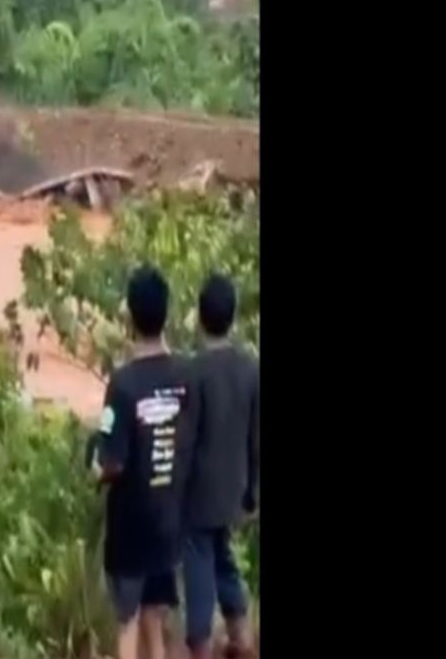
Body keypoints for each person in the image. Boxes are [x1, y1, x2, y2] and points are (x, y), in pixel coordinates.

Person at [93, 266, 198, 659]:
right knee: (156, 621)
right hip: (169, 522)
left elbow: (112, 462)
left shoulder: (122, 384)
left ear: (129, 315)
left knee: (127, 624)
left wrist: (94, 467)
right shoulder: (187, 376)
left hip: (130, 530)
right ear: (166, 313)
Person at [182, 274, 259, 659]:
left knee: (198, 567)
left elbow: (187, 439)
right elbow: (256, 439)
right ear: (233, 317)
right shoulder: (250, 369)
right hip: (234, 489)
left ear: (200, 317)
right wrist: (252, 492)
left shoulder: (193, 373)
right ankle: (242, 638)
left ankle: (201, 648)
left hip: (198, 495)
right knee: (223, 557)